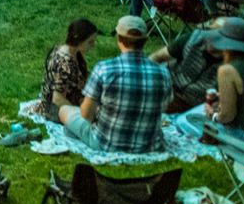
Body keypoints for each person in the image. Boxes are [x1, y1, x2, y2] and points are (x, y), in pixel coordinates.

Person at [59, 16, 170, 154]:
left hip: (106, 144)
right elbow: (162, 108)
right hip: (149, 145)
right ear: (146, 40)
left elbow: (86, 115)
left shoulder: (104, 69)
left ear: (119, 39)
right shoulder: (163, 73)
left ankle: (75, 133)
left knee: (64, 110)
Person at [170, 18, 244, 143]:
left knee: (183, 121)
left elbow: (227, 117)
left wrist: (213, 115)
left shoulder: (227, 70)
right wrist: (222, 98)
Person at [38, 19, 99, 123]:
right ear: (78, 40)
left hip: (73, 99)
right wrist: (80, 115)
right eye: (90, 42)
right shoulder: (64, 64)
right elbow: (58, 99)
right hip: (56, 110)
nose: (93, 46)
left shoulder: (72, 52)